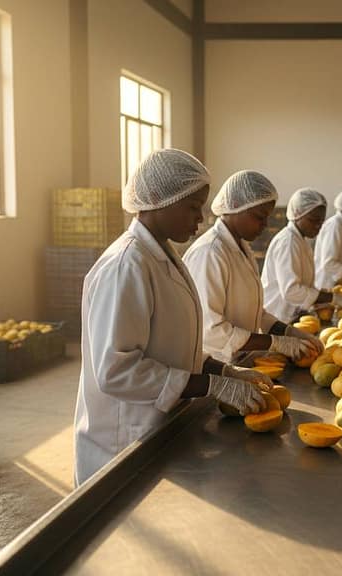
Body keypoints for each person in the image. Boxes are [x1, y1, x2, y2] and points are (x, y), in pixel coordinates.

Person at [74, 150, 272, 486]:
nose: (201, 218)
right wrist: (212, 385)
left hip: (157, 428)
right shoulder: (126, 266)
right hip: (122, 443)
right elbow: (116, 372)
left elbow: (173, 345)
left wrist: (221, 369)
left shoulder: (163, 254)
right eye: (193, 207)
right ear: (156, 200)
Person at [184, 170, 323, 364]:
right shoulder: (210, 252)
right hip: (216, 365)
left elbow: (257, 313)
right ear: (234, 207)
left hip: (241, 358)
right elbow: (211, 330)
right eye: (259, 216)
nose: (265, 224)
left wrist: (289, 332)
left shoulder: (241, 248)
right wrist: (275, 343)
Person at [261, 188, 342, 322]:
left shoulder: (301, 240)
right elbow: (292, 291)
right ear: (297, 214)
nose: (318, 226)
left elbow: (302, 284)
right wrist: (332, 298)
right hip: (278, 316)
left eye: (321, 221)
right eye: (314, 220)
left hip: (291, 315)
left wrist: (317, 299)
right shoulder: (288, 242)